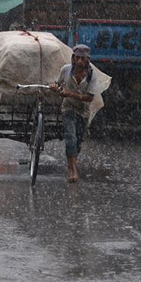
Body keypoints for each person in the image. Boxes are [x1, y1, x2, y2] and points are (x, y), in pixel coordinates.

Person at [49, 44, 98, 183]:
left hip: (83, 111)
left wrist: (70, 93)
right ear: (73, 58)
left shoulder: (92, 75)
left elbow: (89, 97)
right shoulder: (66, 70)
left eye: (83, 59)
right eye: (77, 58)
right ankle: (72, 168)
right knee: (70, 137)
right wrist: (55, 87)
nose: (80, 62)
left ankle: (72, 163)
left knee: (78, 141)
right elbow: (57, 84)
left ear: (87, 60)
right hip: (68, 108)